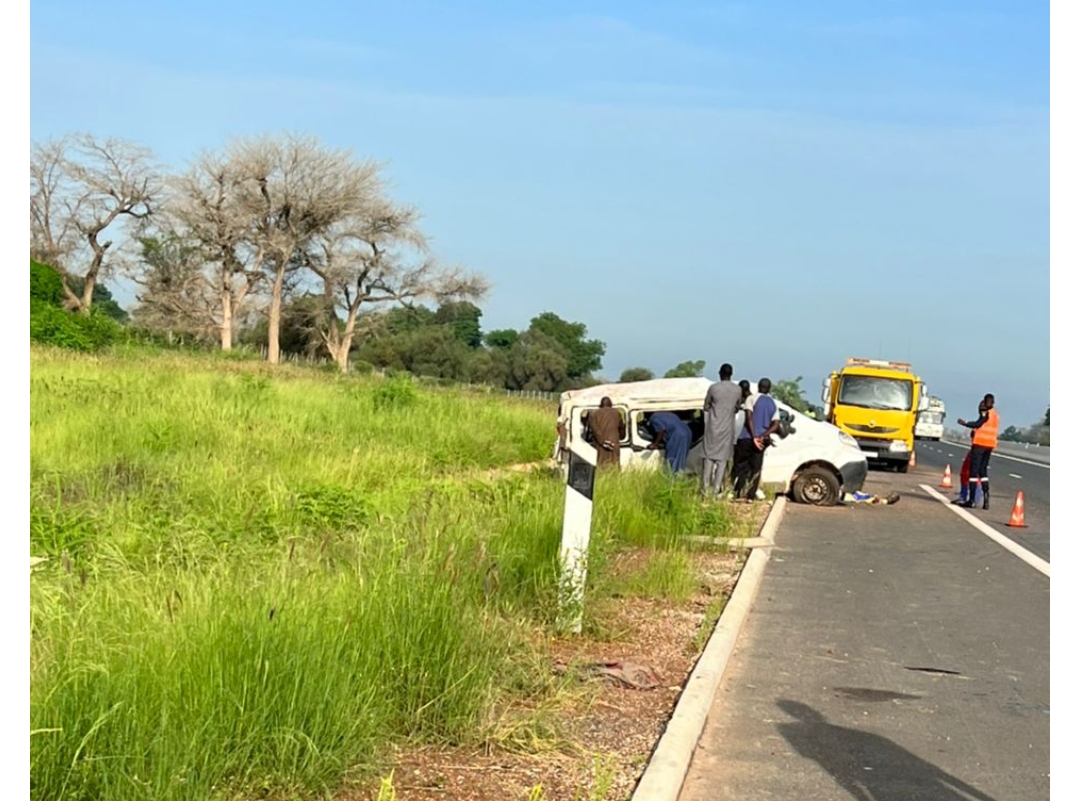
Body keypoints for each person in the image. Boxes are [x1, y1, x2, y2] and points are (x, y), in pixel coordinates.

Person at [733, 378, 780, 501]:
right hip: (761, 441)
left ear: (758, 386)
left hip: (746, 437)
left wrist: (754, 436)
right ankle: (750, 496)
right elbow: (776, 424)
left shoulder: (751, 398)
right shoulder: (772, 403)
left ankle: (738, 493)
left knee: (741, 466)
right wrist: (763, 435)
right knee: (756, 468)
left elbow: (748, 418)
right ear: (769, 389)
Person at [701, 363, 743, 499]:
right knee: (722, 461)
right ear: (731, 374)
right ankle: (716, 491)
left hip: (712, 428)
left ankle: (704, 491)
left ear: (720, 374)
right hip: (727, 430)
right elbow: (737, 407)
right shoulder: (737, 390)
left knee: (708, 459)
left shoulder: (713, 388)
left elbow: (706, 406)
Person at [957, 393, 998, 509]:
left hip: (979, 445)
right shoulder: (995, 415)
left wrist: (965, 424)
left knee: (973, 473)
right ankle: (986, 501)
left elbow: (979, 423)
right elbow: (984, 426)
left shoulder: (986, 413)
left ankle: (972, 500)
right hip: (989, 445)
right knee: (983, 472)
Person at [952, 400, 986, 506]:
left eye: (982, 406)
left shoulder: (985, 418)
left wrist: (966, 423)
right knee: (976, 473)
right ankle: (975, 497)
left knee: (967, 473)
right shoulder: (991, 418)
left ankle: (966, 496)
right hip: (983, 449)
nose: (980, 408)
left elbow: (977, 426)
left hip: (977, 449)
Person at [646, 411, 693, 475]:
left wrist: (655, 443)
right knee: (681, 455)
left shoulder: (653, 418)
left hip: (677, 434)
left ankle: (673, 476)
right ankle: (679, 474)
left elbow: (661, 431)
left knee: (673, 457)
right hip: (687, 430)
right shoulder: (666, 414)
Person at [587, 396, 625, 470]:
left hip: (601, 443)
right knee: (614, 462)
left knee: (602, 463)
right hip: (614, 441)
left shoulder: (596, 414)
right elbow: (621, 427)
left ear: (601, 405)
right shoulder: (616, 413)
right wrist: (621, 436)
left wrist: (602, 441)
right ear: (611, 404)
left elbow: (595, 430)